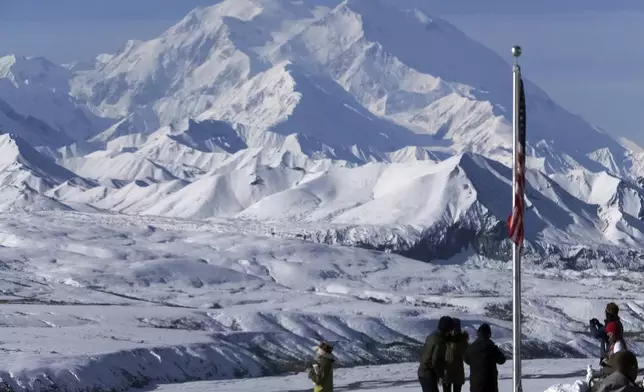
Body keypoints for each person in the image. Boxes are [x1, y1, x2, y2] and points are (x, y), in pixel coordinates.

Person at [464, 323, 506, 392]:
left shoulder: (471, 348)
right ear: (489, 334)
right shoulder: (492, 347)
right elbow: (502, 360)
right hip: (490, 385)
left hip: (475, 385)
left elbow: (466, 359)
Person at [418, 316, 453, 392]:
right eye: (451, 329)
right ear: (448, 329)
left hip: (423, 372)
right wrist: (442, 375)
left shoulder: (432, 336)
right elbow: (435, 361)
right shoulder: (440, 341)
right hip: (428, 373)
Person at [443, 318, 469, 392]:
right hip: (447, 372)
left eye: (456, 329)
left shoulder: (463, 340)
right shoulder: (444, 339)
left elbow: (465, 353)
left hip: (457, 372)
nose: (454, 331)